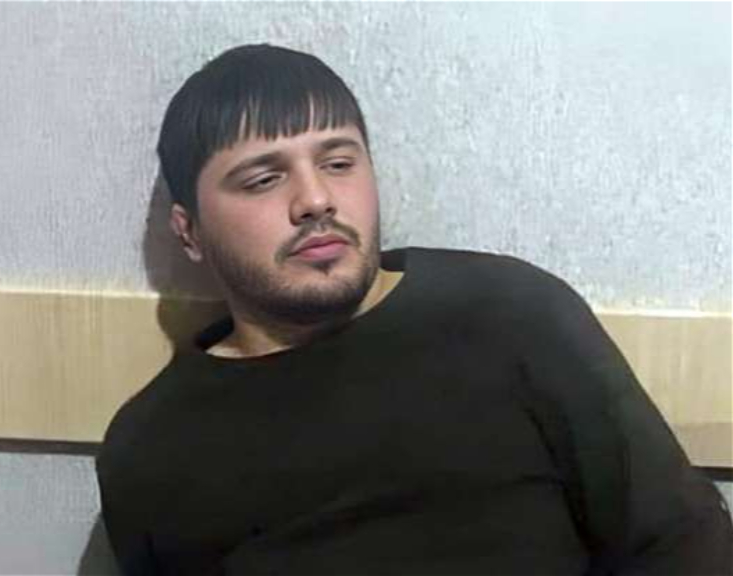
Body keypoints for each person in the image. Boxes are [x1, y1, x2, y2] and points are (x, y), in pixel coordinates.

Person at [96, 43, 732, 575]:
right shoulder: (152, 448)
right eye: (264, 179)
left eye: (338, 162)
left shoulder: (506, 314)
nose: (315, 199)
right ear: (189, 232)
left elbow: (682, 539)